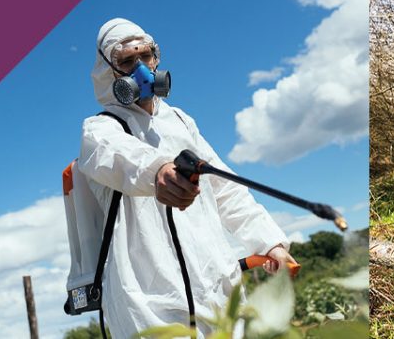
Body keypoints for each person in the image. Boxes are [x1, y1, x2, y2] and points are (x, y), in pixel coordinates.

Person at [81, 18, 296, 337]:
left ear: (156, 58)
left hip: (218, 290)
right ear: (108, 71)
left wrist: (271, 243)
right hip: (151, 306)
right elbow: (116, 157)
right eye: (127, 61)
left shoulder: (181, 121)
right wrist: (159, 173)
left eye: (146, 57)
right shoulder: (101, 128)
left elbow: (226, 189)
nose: (140, 69)